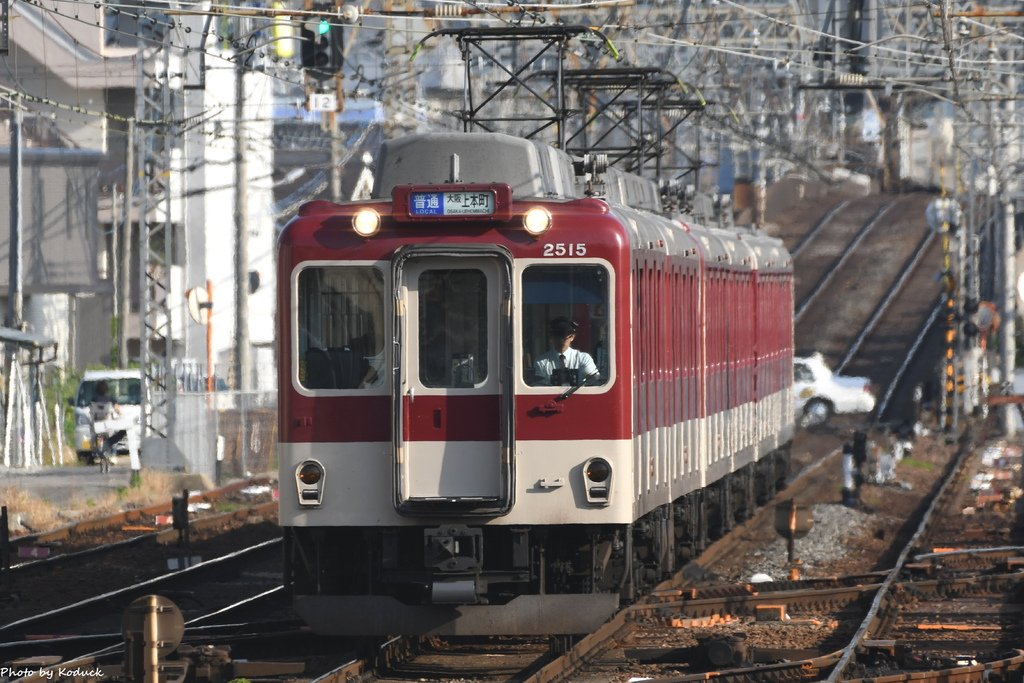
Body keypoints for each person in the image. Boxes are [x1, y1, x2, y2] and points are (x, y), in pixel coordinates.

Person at [533, 317, 599, 386]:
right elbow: (539, 387)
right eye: (558, 335)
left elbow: (594, 381)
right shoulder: (541, 362)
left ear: (572, 337)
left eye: (565, 334)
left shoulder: (583, 359)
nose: (562, 338)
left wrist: (590, 377)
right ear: (551, 337)